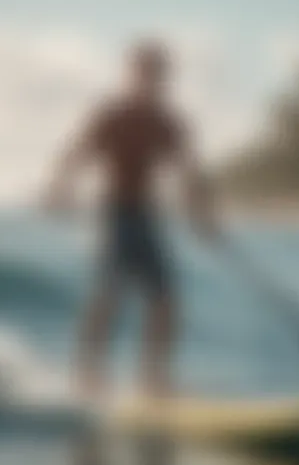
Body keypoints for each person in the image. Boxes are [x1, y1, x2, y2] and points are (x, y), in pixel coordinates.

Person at [40, 40, 217, 399]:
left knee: (166, 300)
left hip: (147, 216)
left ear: (164, 79)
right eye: (144, 73)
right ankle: (88, 374)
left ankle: (154, 379)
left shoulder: (168, 122)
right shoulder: (111, 115)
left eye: (158, 75)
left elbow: (190, 171)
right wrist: (60, 189)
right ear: (130, 75)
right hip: (113, 215)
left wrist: (202, 213)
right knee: (110, 295)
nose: (150, 81)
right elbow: (74, 154)